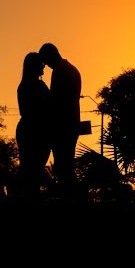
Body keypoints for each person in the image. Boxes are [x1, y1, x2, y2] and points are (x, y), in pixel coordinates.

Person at [38, 43, 82, 196]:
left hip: (63, 126)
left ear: (50, 56)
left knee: (64, 168)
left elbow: (55, 102)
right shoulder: (71, 68)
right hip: (71, 123)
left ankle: (75, 199)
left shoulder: (59, 71)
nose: (45, 65)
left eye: (45, 60)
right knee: (66, 167)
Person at [16, 52, 51, 199]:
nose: (44, 67)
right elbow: (50, 107)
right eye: (41, 64)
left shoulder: (22, 86)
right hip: (36, 132)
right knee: (35, 169)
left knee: (28, 169)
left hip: (25, 130)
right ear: (35, 66)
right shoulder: (39, 86)